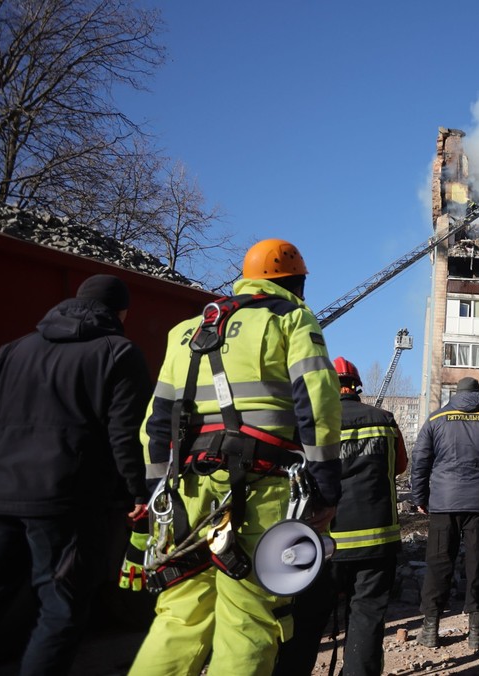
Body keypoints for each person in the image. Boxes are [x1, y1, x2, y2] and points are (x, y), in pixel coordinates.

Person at [129, 238, 342, 676]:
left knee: (179, 617)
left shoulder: (186, 331)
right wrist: (325, 488)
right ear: (297, 283)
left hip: (185, 492)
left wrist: (156, 495)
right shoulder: (293, 319)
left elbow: (156, 421)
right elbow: (317, 404)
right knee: (248, 619)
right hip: (258, 488)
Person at [0, 274, 151, 675]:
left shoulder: (15, 349)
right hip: (66, 505)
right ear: (121, 311)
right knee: (60, 610)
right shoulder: (118, 353)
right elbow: (125, 436)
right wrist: (137, 492)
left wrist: (14, 452)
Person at [274, 357, 407, 676]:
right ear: (356, 387)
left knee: (306, 622)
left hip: (323, 542)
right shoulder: (385, 420)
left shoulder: (312, 423)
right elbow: (399, 466)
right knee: (367, 618)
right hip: (377, 540)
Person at [410, 376, 479, 651]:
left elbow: (420, 461)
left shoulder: (436, 419)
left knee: (438, 564)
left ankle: (431, 630)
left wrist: (420, 497)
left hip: (443, 503)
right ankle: (476, 634)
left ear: (455, 394)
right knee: (478, 564)